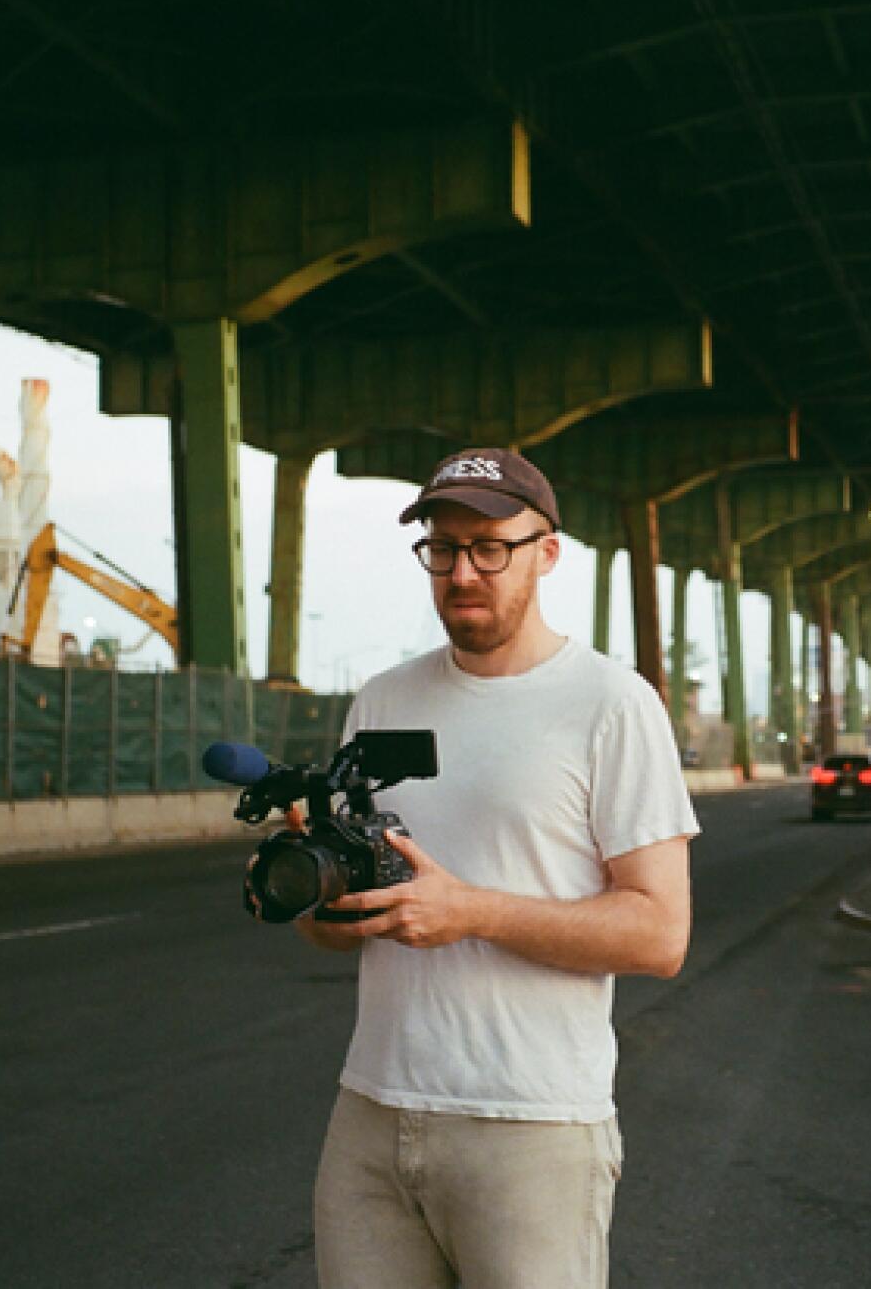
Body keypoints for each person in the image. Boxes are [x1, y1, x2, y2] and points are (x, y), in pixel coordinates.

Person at [283, 447, 697, 1289]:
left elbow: (660, 932)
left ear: (546, 550)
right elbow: (340, 933)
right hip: (373, 1113)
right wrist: (314, 888)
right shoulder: (383, 701)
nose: (462, 571)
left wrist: (470, 911)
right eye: (443, 548)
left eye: (489, 547)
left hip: (532, 1127)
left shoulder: (614, 704)